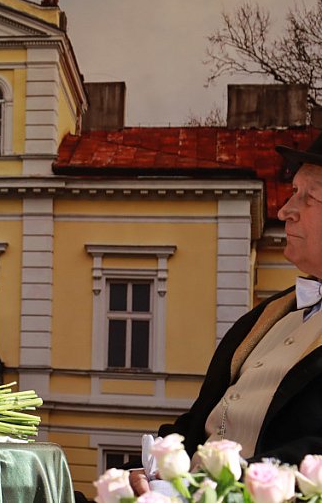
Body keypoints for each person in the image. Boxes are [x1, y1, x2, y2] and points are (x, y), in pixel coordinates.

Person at [129, 132, 322, 495]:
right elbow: (200, 419)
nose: (285, 211)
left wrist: (222, 488)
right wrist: (150, 471)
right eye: (293, 192)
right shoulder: (269, 314)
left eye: (307, 197)